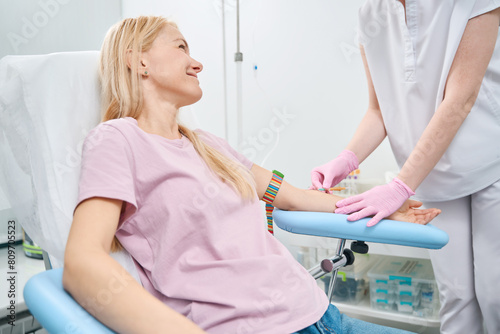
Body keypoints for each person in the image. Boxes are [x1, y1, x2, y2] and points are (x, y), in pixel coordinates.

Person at [62, 16, 440, 334]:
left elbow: (292, 196)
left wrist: (381, 206)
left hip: (320, 313)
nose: (197, 63)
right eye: (181, 48)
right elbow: (83, 264)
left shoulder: (207, 145)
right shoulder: (116, 139)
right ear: (137, 61)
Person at [310, 1, 500, 333]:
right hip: (431, 177)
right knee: (455, 296)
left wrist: (399, 186)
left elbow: (460, 99)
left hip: (491, 163)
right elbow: (379, 110)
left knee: (495, 293)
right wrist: (347, 158)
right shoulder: (370, 13)